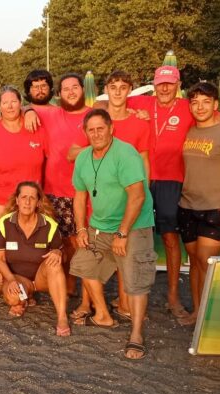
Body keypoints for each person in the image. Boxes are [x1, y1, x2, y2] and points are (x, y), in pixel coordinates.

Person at [70, 109, 156, 360]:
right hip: (99, 226)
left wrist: (123, 232)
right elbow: (79, 196)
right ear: (85, 133)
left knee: (136, 280)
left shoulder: (126, 153)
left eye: (100, 128)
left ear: (111, 128)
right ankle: (103, 316)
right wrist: (81, 228)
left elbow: (138, 195)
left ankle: (137, 334)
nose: (96, 133)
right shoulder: (84, 157)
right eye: (91, 129)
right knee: (83, 264)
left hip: (133, 226)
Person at [67, 70, 153, 321]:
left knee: (126, 258)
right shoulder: (94, 120)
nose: (118, 92)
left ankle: (127, 305)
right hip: (99, 201)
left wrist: (143, 193)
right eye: (112, 87)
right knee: (88, 257)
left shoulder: (138, 122)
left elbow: (144, 161)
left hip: (130, 202)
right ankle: (91, 306)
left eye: (123, 87)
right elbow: (73, 153)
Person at [128, 66, 194, 320]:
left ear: (178, 85)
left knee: (169, 237)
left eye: (169, 83)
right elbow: (110, 102)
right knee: (131, 235)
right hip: (139, 178)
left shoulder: (189, 107)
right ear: (154, 85)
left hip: (171, 179)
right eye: (160, 84)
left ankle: (173, 297)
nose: (164, 88)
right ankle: (128, 295)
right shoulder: (141, 101)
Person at [0, 86, 48, 295]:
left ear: (20, 104)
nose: (9, 106)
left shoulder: (34, 127)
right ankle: (0, 282)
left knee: (30, 240)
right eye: (4, 102)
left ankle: (29, 283)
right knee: (1, 240)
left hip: (30, 199)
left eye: (14, 101)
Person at [23, 73, 91, 301]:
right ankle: (63, 285)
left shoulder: (94, 115)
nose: (71, 92)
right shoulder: (52, 113)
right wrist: (29, 111)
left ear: (83, 89)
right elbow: (14, 111)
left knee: (80, 243)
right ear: (59, 93)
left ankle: (79, 291)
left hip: (85, 192)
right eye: (66, 89)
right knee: (57, 241)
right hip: (54, 191)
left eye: (75, 87)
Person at [0, 182, 70, 336]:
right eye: (23, 197)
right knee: (14, 299)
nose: (27, 202)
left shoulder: (49, 225)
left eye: (32, 198)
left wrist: (58, 252)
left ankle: (62, 317)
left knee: (54, 263)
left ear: (38, 202)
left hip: (42, 279)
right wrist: (10, 279)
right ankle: (24, 298)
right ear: (17, 200)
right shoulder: (5, 223)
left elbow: (65, 255)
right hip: (18, 278)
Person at [176, 82, 220, 326]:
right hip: (187, 206)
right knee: (193, 262)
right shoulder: (190, 131)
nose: (200, 107)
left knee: (206, 262)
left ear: (215, 104)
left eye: (206, 102)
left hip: (214, 208)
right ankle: (197, 312)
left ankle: (208, 317)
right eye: (195, 102)